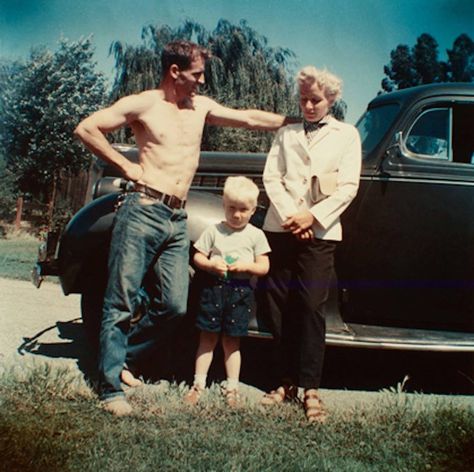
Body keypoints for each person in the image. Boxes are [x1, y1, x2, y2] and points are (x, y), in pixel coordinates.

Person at [74, 40, 291, 416]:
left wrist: (296, 121)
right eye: (196, 74)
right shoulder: (144, 104)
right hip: (142, 210)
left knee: (174, 305)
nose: (202, 82)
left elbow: (250, 119)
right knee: (121, 301)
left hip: (177, 218)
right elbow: (87, 128)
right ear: (175, 72)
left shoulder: (200, 108)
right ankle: (109, 388)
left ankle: (123, 357)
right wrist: (128, 167)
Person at [260, 66, 361, 422]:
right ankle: (283, 381)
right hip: (282, 228)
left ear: (331, 99)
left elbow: (348, 186)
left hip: (320, 233)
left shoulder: (346, 135)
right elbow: (271, 176)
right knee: (276, 306)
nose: (308, 106)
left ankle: (310, 386)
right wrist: (292, 216)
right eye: (303, 99)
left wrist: (311, 218)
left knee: (310, 306)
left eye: (315, 100)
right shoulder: (286, 134)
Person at [184, 176, 270, 407]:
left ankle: (232, 386)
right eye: (232, 208)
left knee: (232, 342)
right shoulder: (214, 231)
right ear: (224, 205)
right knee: (207, 337)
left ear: (253, 210)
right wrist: (210, 265)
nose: (237, 214)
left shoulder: (255, 235)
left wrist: (247, 267)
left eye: (243, 209)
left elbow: (264, 266)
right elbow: (198, 255)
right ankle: (198, 384)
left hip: (239, 292)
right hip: (213, 290)